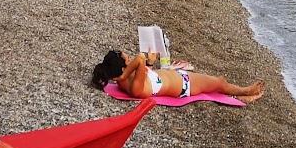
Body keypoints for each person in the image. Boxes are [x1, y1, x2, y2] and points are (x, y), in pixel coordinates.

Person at [91, 50, 263, 103]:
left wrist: (150, 62)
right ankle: (245, 91)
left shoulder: (131, 79)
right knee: (219, 82)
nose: (130, 58)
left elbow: (145, 66)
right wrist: (125, 74)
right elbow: (140, 58)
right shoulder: (131, 85)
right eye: (126, 59)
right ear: (122, 69)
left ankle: (240, 95)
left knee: (218, 83)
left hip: (179, 77)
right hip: (185, 86)